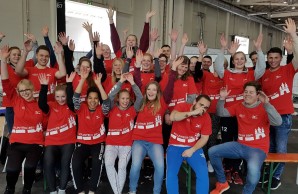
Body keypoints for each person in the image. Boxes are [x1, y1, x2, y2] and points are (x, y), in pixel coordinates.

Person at [209, 81, 282, 194]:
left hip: (257, 149)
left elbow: (278, 122)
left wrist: (267, 104)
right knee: (212, 151)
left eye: (251, 92)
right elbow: (220, 112)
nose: (247, 94)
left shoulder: (264, 107)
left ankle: (247, 192)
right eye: (246, 92)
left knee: (252, 174)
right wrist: (222, 98)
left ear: (258, 95)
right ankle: (222, 182)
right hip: (240, 146)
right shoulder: (239, 106)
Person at [214, 33, 266, 184]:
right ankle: (227, 168)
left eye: (242, 59)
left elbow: (261, 68)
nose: (239, 61)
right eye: (236, 59)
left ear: (245, 61)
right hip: (228, 113)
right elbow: (217, 65)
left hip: (244, 115)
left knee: (240, 142)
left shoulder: (250, 74)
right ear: (233, 60)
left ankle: (236, 170)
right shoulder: (227, 73)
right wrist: (223, 48)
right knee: (226, 142)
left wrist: (259, 49)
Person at [128, 57, 180, 194]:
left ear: (158, 92)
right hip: (139, 140)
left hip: (155, 141)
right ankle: (132, 190)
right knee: (135, 166)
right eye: (149, 90)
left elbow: (169, 88)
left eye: (154, 90)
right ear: (145, 91)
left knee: (160, 167)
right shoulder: (140, 103)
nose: (151, 92)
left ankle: (156, 192)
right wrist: (137, 68)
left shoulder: (162, 104)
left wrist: (173, 71)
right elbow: (138, 83)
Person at [259, 18, 298, 190]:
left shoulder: (288, 69)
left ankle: (276, 176)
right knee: (270, 147)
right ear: (267, 58)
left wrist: (293, 35)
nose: (273, 60)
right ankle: (268, 172)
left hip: (283, 117)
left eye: (276, 57)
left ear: (281, 58)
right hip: (266, 117)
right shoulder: (264, 74)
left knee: (281, 148)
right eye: (270, 57)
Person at [1, 45, 44, 194]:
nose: (25, 93)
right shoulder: (16, 100)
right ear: (18, 92)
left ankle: (27, 189)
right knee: (12, 169)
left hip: (35, 143)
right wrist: (3, 60)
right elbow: (6, 81)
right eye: (22, 91)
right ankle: (10, 188)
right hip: (17, 142)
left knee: (30, 167)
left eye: (28, 90)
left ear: (32, 90)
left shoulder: (40, 104)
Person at [70, 69, 109, 194]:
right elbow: (75, 98)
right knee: (75, 164)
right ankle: (80, 190)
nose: (93, 101)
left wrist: (98, 85)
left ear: (98, 100)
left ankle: (92, 190)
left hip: (98, 143)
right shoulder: (81, 108)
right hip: (82, 143)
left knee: (97, 164)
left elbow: (107, 102)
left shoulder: (101, 110)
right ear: (86, 99)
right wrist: (82, 80)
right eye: (90, 98)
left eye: (96, 98)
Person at [38, 72, 77, 194]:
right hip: (52, 142)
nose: (60, 99)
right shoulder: (51, 105)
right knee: (48, 163)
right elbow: (41, 104)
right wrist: (44, 86)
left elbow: (71, 101)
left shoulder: (72, 107)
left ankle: (62, 190)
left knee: (65, 164)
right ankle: (53, 191)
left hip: (68, 141)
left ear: (67, 96)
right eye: (58, 97)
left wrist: (69, 84)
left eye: (63, 96)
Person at [104, 73, 142, 194]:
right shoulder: (112, 108)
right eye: (122, 98)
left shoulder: (132, 110)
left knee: (121, 167)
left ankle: (117, 192)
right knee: (108, 164)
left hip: (126, 145)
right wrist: (120, 82)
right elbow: (109, 96)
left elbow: (140, 98)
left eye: (127, 99)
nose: (125, 101)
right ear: (118, 99)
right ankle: (118, 192)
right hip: (111, 144)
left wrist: (132, 83)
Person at [167, 95, 212, 194]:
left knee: (203, 173)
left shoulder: (206, 117)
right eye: (201, 105)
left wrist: (192, 150)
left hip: (193, 147)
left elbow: (205, 138)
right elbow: (173, 117)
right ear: (195, 101)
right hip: (175, 145)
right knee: (171, 174)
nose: (202, 109)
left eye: (205, 107)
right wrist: (192, 113)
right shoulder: (182, 106)